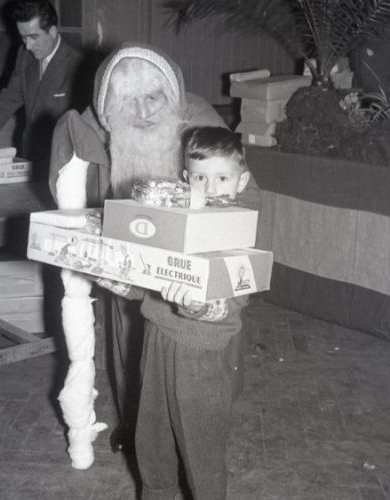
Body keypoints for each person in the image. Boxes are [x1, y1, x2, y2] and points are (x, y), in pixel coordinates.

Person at [48, 43, 261, 468]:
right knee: (129, 337)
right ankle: (136, 423)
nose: (143, 112)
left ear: (173, 95)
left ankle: (198, 426)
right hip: (132, 260)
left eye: (153, 97)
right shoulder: (99, 121)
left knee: (199, 372)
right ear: (109, 105)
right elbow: (68, 151)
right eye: (129, 101)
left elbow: (244, 194)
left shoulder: (199, 119)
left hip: (197, 267)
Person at [95, 125, 254, 499]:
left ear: (241, 181)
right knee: (152, 440)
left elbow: (233, 301)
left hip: (201, 354)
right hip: (157, 342)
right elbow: (150, 279)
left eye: (222, 178)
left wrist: (198, 304)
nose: (210, 188)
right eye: (200, 178)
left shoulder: (238, 231)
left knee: (201, 449)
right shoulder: (174, 225)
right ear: (185, 179)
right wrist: (117, 280)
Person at [0, 0, 88, 180]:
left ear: (52, 31)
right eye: (23, 38)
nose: (28, 46)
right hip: (31, 156)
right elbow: (10, 97)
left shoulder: (78, 64)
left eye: (34, 37)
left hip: (64, 163)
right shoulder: (24, 56)